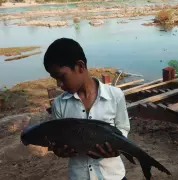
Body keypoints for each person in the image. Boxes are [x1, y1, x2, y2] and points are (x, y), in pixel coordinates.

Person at [43, 38, 130, 180]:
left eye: (61, 77)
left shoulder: (115, 96)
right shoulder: (59, 104)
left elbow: (123, 128)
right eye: (55, 79)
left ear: (80, 66)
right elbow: (58, 138)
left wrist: (117, 147)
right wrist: (59, 151)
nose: (59, 84)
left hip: (114, 175)